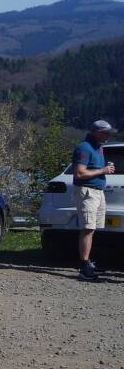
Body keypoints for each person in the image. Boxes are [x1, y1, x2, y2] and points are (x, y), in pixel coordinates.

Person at [71, 119, 116, 281]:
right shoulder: (84, 147)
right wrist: (102, 170)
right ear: (97, 132)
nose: (109, 136)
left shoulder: (99, 148)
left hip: (98, 191)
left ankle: (88, 263)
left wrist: (103, 170)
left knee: (93, 228)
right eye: (106, 133)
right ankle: (84, 267)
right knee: (87, 228)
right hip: (87, 192)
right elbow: (79, 173)